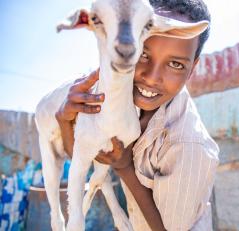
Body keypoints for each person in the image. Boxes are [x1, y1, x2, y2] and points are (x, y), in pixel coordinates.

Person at [55, 0, 219, 230]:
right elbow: (84, 159)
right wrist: (63, 118)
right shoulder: (118, 98)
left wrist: (125, 168)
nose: (151, 78)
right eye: (142, 53)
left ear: (192, 69)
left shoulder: (188, 146)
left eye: (175, 64)